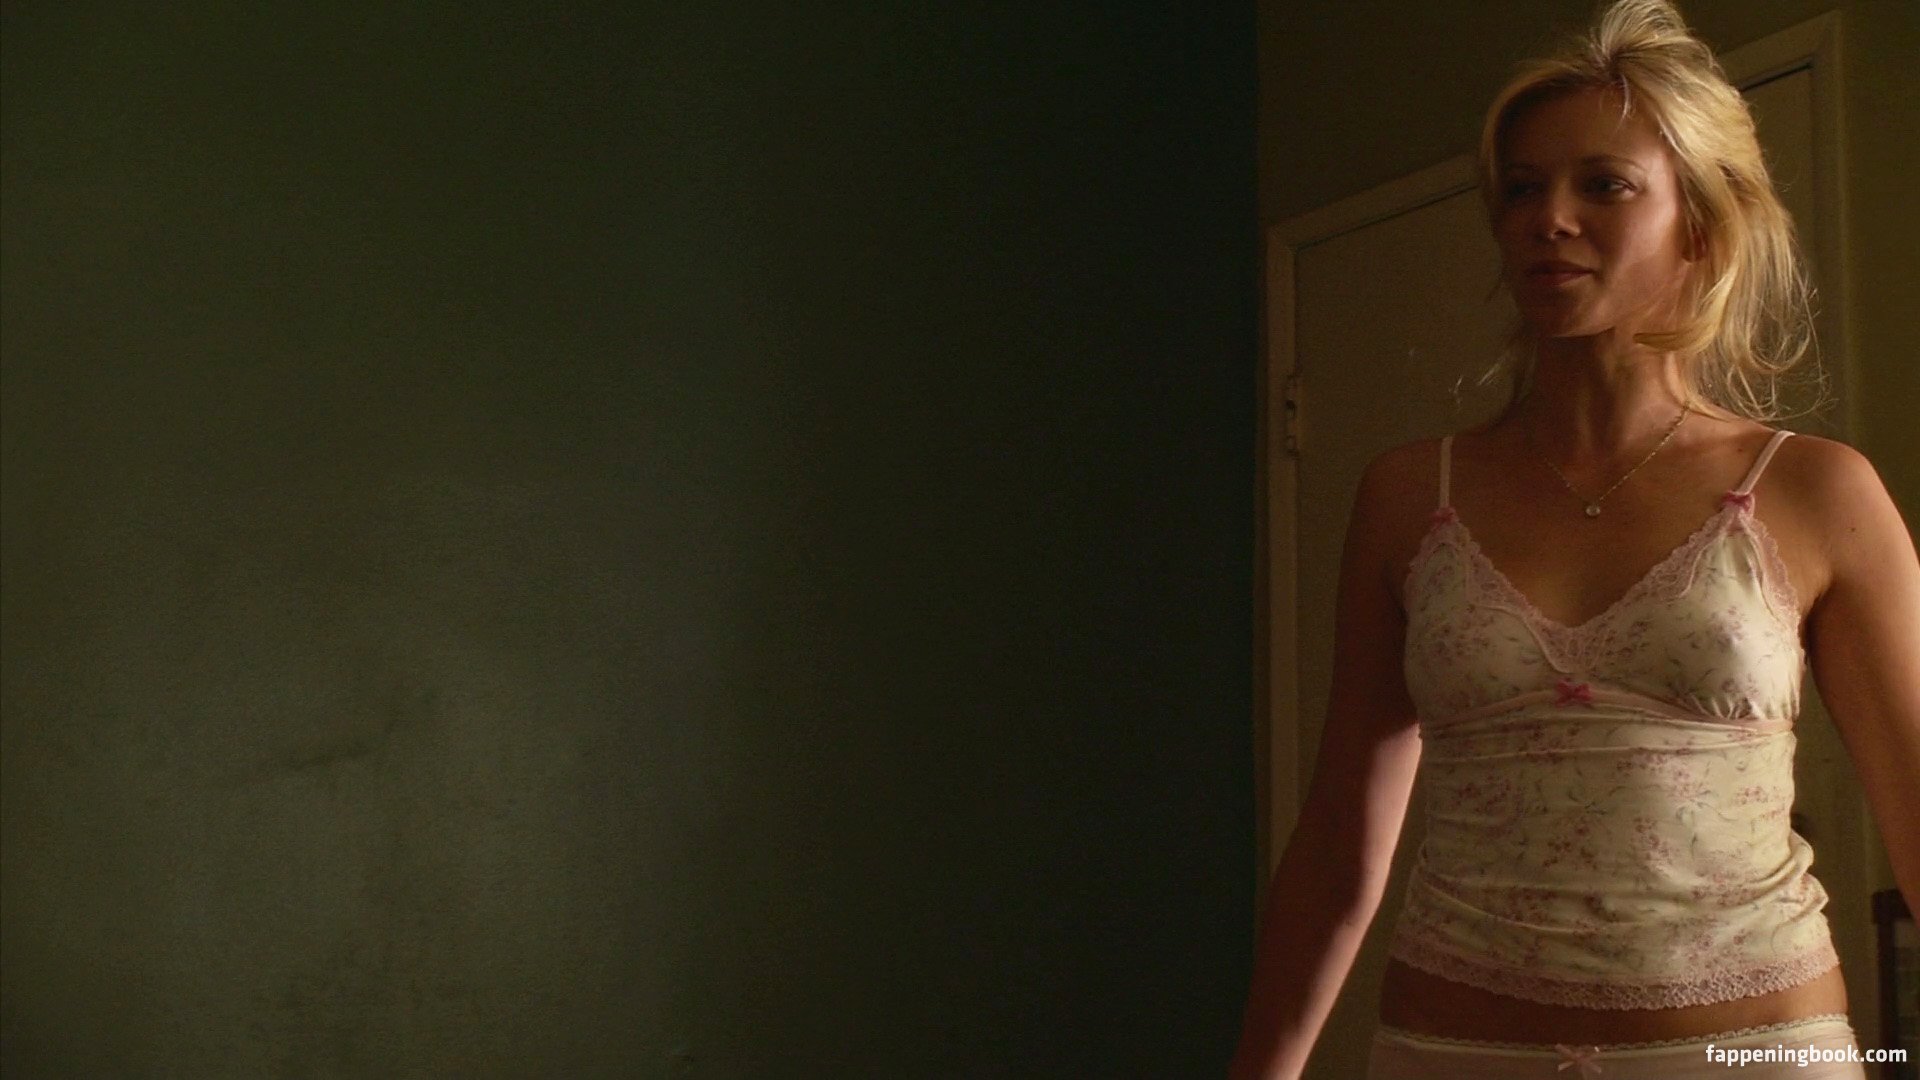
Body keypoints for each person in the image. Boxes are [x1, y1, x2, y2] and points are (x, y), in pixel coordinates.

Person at [1227, 1, 1920, 1077]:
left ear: (1701, 222)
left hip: (1754, 1054)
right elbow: (1338, 840)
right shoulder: (1411, 497)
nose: (1548, 217)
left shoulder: (1817, 491)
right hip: (1450, 1052)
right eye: (1521, 188)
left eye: (1605, 185)